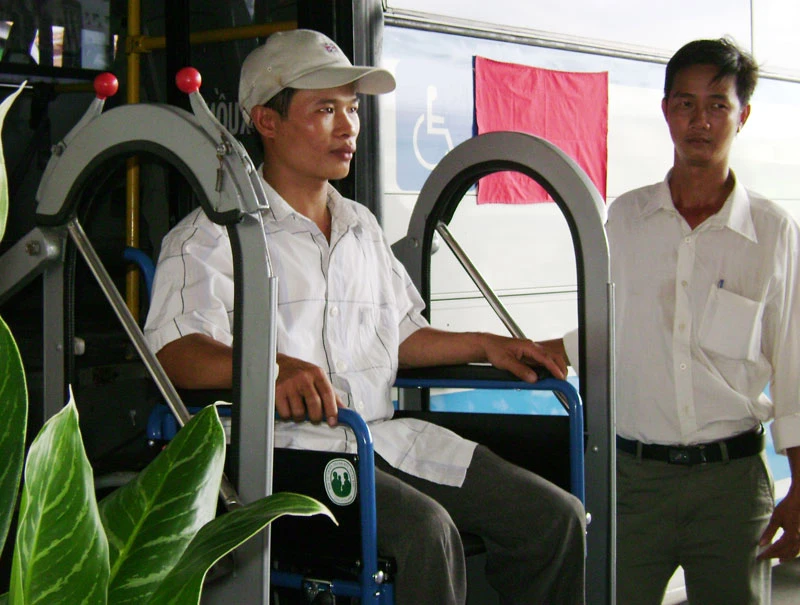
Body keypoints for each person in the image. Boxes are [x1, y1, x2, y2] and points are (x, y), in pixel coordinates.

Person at [144, 29, 585, 605]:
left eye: (352, 109)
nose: (348, 127)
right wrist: (274, 369)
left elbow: (399, 334)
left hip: (381, 439)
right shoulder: (213, 235)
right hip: (282, 456)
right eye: (325, 110)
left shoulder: (361, 227)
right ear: (267, 121)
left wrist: (488, 345)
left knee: (554, 518)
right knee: (427, 533)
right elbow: (174, 352)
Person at [545, 38, 800, 604]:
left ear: (743, 115)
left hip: (732, 487)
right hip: (633, 483)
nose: (700, 120)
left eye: (717, 105)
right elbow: (613, 329)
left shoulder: (773, 233)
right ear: (666, 111)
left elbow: (794, 368)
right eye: (685, 103)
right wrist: (543, 350)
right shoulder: (626, 219)